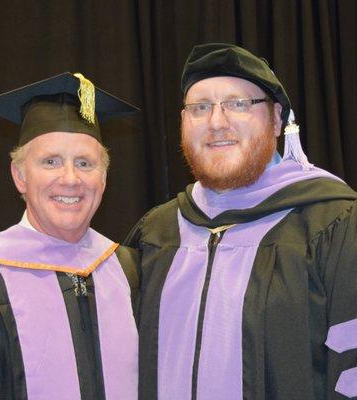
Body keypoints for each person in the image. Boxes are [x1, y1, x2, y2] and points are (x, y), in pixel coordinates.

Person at [125, 43, 357, 399]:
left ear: (277, 119)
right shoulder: (156, 232)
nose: (217, 123)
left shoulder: (334, 224)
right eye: (200, 108)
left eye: (238, 104)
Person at [0, 72, 139, 400]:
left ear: (104, 178)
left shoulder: (132, 269)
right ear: (20, 176)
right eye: (50, 162)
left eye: (84, 163)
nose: (70, 179)